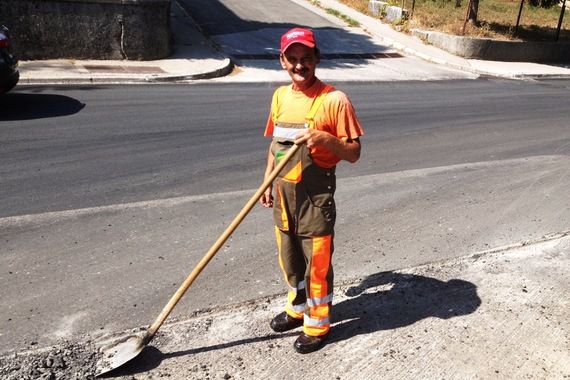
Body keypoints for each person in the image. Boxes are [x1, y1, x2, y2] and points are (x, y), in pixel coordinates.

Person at [259, 27, 364, 354]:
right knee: (289, 262)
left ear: (317, 58)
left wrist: (326, 139)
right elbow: (276, 147)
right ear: (282, 61)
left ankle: (317, 325)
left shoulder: (335, 100)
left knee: (316, 268)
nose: (299, 65)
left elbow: (354, 153)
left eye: (306, 59)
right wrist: (266, 181)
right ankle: (297, 307)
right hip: (284, 198)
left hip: (315, 202)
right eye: (293, 59)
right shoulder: (279, 96)